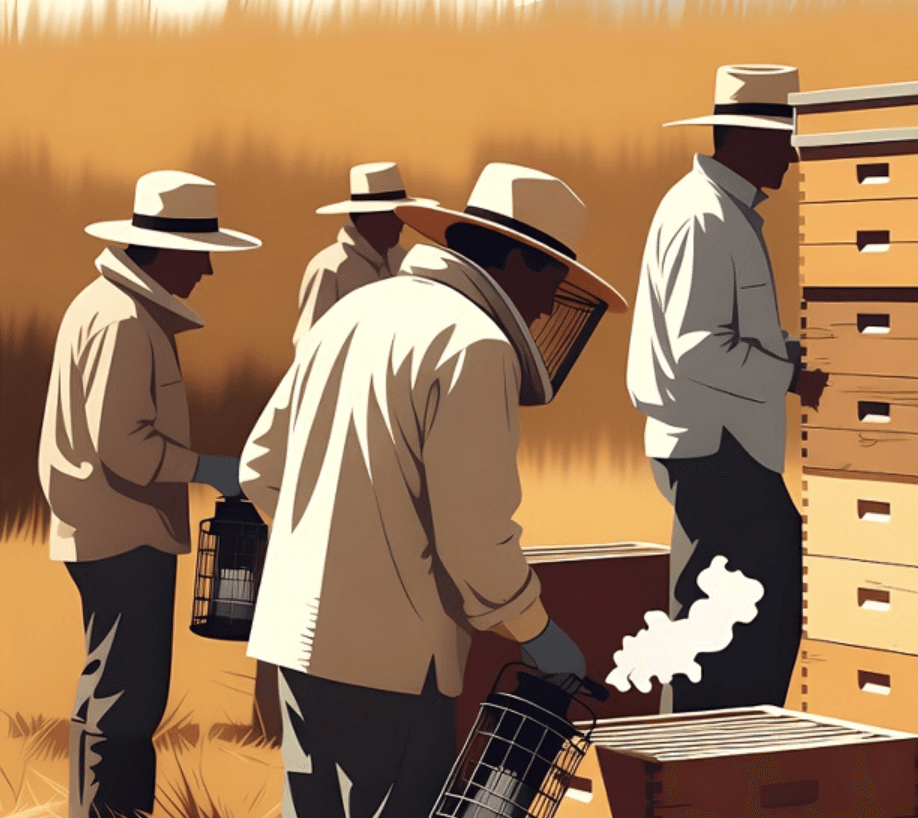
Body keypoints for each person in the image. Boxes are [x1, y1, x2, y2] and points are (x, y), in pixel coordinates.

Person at [239, 162, 627, 817]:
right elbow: (474, 536)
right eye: (550, 284)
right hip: (393, 665)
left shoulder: (350, 312)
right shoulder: (476, 345)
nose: (543, 308)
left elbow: (261, 465)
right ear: (516, 260)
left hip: (294, 637)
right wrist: (536, 630)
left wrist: (337, 546)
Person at [37, 170, 261, 818]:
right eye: (200, 253)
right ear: (165, 251)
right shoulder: (126, 322)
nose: (208, 270)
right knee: (128, 701)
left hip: (102, 528)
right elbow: (126, 448)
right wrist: (211, 469)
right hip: (126, 533)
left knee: (110, 688)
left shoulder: (101, 306)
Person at [626, 64, 829, 714]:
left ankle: (721, 747)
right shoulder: (705, 218)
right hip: (717, 452)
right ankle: (710, 753)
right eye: (784, 140)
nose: (792, 156)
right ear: (746, 138)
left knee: (735, 617)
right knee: (730, 629)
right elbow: (697, 348)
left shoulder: (715, 212)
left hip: (721, 450)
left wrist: (788, 353)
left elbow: (724, 334)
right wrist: (790, 376)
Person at [291, 162, 435, 345]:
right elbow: (308, 342)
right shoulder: (329, 268)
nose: (400, 223)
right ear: (366, 218)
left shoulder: (400, 259)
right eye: (390, 215)